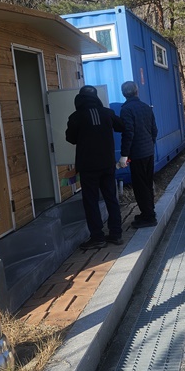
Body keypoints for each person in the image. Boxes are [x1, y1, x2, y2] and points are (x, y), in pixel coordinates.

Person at [65, 85, 125, 249]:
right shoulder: (107, 113)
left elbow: (70, 138)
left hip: (88, 166)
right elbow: (121, 126)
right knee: (111, 198)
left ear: (80, 99)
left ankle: (98, 238)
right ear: (96, 97)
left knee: (91, 201)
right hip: (107, 164)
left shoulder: (76, 117)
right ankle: (116, 234)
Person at [118, 81, 159, 228]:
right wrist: (150, 144)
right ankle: (149, 212)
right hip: (148, 151)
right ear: (137, 92)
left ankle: (148, 217)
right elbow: (154, 130)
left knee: (140, 186)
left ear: (124, 94)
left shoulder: (126, 110)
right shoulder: (146, 107)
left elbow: (128, 133)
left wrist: (124, 155)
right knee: (147, 183)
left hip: (137, 154)